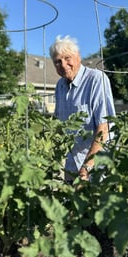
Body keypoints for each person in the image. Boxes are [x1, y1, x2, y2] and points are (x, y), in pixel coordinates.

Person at [49, 35, 116, 183]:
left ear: (78, 57)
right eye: (57, 62)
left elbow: (104, 127)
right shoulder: (60, 86)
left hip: (97, 163)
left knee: (98, 203)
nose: (63, 64)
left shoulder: (96, 79)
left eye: (67, 58)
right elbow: (59, 124)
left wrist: (87, 168)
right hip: (72, 163)